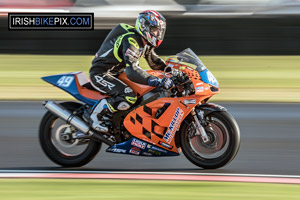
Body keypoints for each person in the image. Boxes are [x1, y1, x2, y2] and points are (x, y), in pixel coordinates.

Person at [88, 10, 174, 132]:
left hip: (116, 74)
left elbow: (155, 63)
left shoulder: (145, 43)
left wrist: (175, 72)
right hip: (101, 73)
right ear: (145, 27)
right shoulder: (131, 40)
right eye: (155, 30)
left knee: (141, 94)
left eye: (160, 31)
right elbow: (132, 70)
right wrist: (153, 80)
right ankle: (94, 116)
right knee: (129, 96)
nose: (158, 33)